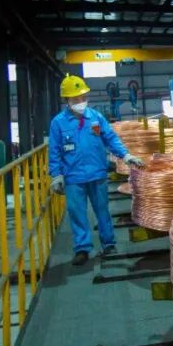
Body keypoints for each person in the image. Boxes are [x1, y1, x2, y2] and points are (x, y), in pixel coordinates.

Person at [49, 74, 145, 266]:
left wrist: (126, 155)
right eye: (76, 98)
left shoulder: (95, 118)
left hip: (97, 173)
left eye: (83, 97)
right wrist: (56, 175)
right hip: (73, 177)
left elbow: (110, 138)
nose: (81, 101)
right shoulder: (58, 123)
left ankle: (108, 244)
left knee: (102, 211)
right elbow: (54, 151)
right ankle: (82, 248)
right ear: (67, 99)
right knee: (77, 213)